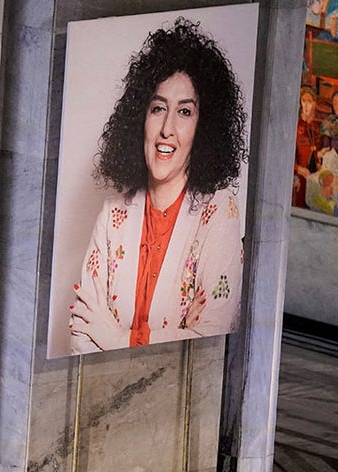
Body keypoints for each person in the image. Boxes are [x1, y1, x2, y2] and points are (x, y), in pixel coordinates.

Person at [69, 18, 246, 354]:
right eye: (158, 108)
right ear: (141, 117)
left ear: (203, 128)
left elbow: (213, 334)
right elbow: (80, 330)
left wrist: (121, 339)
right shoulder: (112, 214)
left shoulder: (220, 212)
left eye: (184, 112)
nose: (167, 128)